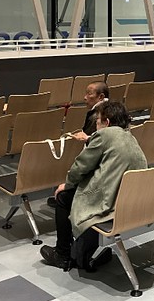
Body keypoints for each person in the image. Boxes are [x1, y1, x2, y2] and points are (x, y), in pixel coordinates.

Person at [40, 101, 147, 272]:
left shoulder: (104, 135)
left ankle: (62, 254)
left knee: (62, 197)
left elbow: (80, 167)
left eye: (97, 121)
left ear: (107, 122)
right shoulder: (129, 136)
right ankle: (80, 250)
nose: (95, 125)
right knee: (72, 193)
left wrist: (67, 184)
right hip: (128, 198)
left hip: (109, 199)